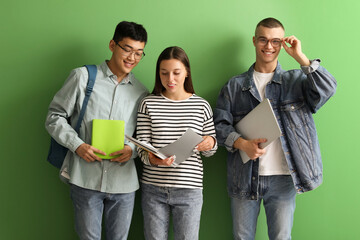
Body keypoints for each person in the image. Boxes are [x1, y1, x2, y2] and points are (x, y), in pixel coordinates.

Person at [214, 17, 337, 240]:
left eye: (275, 41)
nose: (268, 46)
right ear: (254, 40)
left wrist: (301, 58)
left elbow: (327, 89)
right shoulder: (234, 86)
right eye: (263, 40)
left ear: (282, 44)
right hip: (244, 178)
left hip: (284, 179)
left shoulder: (297, 81)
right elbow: (219, 126)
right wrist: (242, 144)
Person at [45, 21, 149, 240]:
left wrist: (132, 149)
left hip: (124, 184)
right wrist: (78, 145)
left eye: (139, 53)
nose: (132, 58)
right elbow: (54, 117)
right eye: (127, 49)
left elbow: (144, 135)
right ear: (112, 45)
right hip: (85, 179)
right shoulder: (82, 77)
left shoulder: (141, 92)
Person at [136, 46, 217, 240]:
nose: (170, 79)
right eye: (164, 73)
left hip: (189, 189)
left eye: (176, 72)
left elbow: (211, 148)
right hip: (153, 189)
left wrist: (210, 143)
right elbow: (142, 149)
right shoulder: (148, 103)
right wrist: (154, 159)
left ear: (187, 72)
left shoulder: (201, 105)